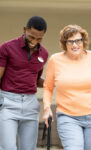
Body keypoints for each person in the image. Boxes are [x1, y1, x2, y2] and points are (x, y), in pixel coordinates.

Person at [43, 24, 91, 150]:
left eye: (78, 40)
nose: (74, 45)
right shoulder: (55, 60)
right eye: (70, 42)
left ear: (83, 41)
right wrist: (46, 108)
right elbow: (48, 87)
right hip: (68, 117)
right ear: (64, 44)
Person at [0, 16, 48, 150]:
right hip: (8, 102)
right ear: (25, 29)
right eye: (31, 37)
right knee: (8, 147)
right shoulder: (7, 47)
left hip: (30, 104)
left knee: (28, 148)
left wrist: (53, 83)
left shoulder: (43, 53)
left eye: (39, 39)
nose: (34, 42)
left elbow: (36, 80)